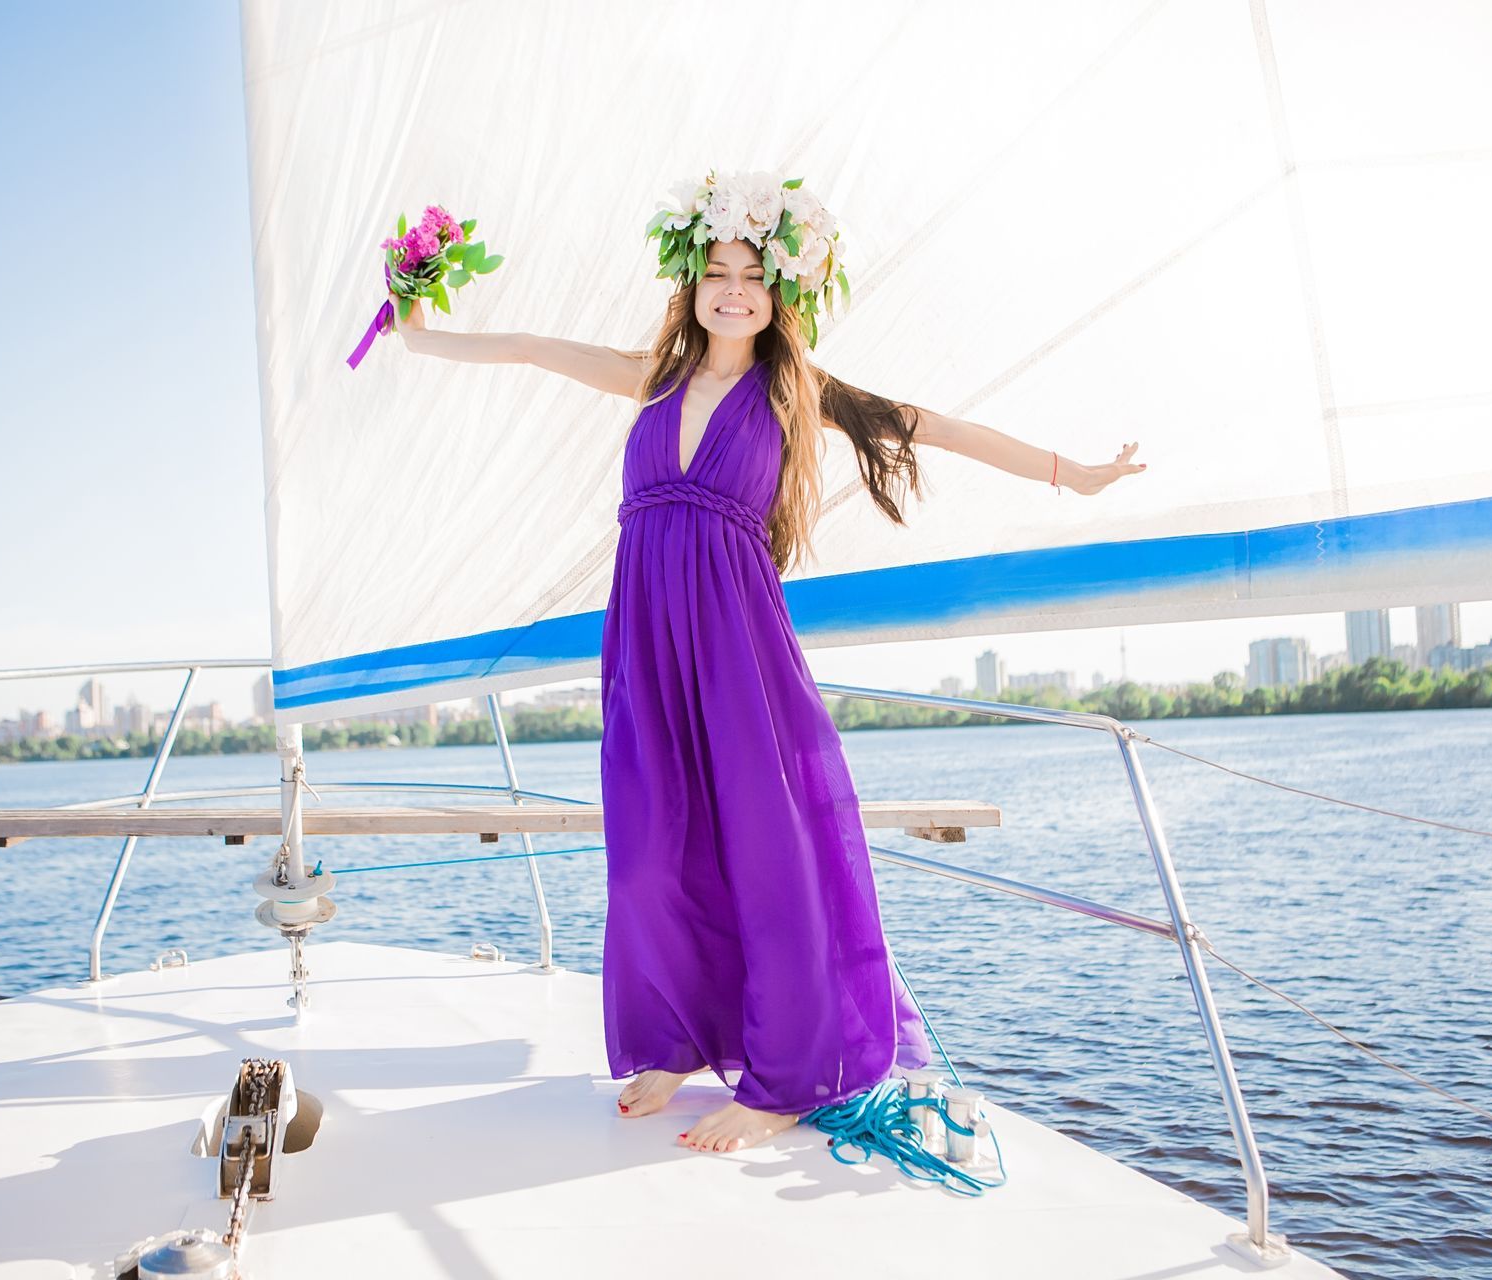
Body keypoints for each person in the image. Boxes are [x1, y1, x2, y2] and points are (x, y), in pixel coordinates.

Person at [393, 174, 1144, 1156]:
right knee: (652, 848)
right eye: (716, 272)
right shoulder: (653, 377)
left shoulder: (795, 390)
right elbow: (531, 348)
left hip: (738, 642)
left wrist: (1071, 471)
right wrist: (414, 328)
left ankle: (786, 1078)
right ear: (690, 284)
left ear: (780, 290)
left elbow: (936, 426)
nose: (733, 289)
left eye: (753, 274)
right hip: (650, 638)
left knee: (767, 849)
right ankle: (675, 1037)